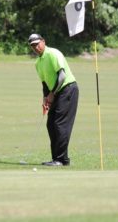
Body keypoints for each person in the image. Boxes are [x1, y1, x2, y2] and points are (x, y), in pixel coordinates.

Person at [28, 33, 79, 166]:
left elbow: (62, 76)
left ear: (43, 41)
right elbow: (45, 83)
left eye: (37, 44)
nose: (35, 47)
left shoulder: (53, 53)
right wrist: (45, 99)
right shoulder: (37, 63)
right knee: (51, 124)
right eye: (33, 46)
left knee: (59, 124)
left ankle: (61, 160)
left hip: (68, 89)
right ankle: (57, 158)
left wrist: (52, 94)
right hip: (56, 92)